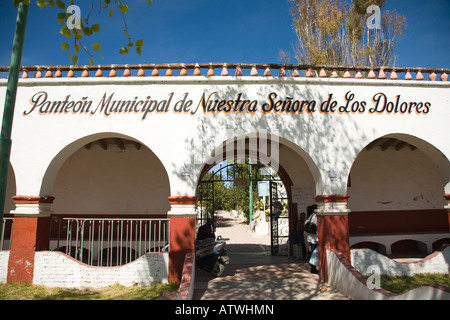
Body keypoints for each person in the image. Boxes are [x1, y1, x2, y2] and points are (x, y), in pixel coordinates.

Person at [303, 204, 318, 273]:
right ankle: (313, 268)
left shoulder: (310, 216)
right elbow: (317, 226)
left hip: (310, 238)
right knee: (314, 253)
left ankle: (313, 267)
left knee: (312, 252)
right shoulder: (315, 216)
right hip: (314, 238)